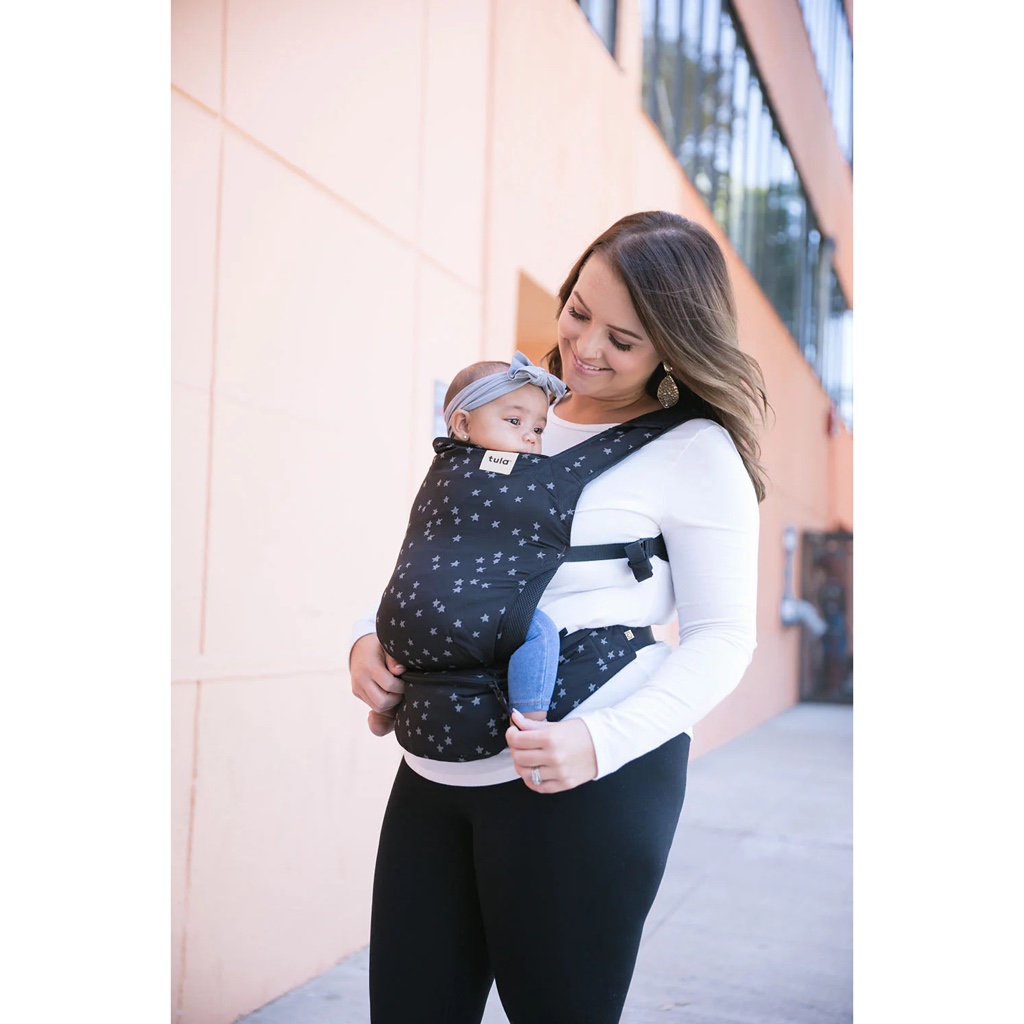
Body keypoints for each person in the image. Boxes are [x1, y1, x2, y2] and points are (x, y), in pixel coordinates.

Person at [350, 210, 769, 1024]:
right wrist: (371, 639)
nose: (585, 348)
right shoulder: (506, 410)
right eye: (579, 311)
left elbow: (724, 639)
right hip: (436, 768)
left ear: (675, 347)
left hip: (583, 779)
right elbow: (443, 548)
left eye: (624, 339)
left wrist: (598, 742)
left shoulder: (695, 451)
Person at [378, 352, 568, 724]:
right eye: (514, 421)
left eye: (539, 429)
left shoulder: (442, 470)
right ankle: (531, 720)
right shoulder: (505, 478)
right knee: (539, 632)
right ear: (463, 425)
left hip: (398, 616)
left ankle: (386, 712)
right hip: (465, 613)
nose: (530, 437)